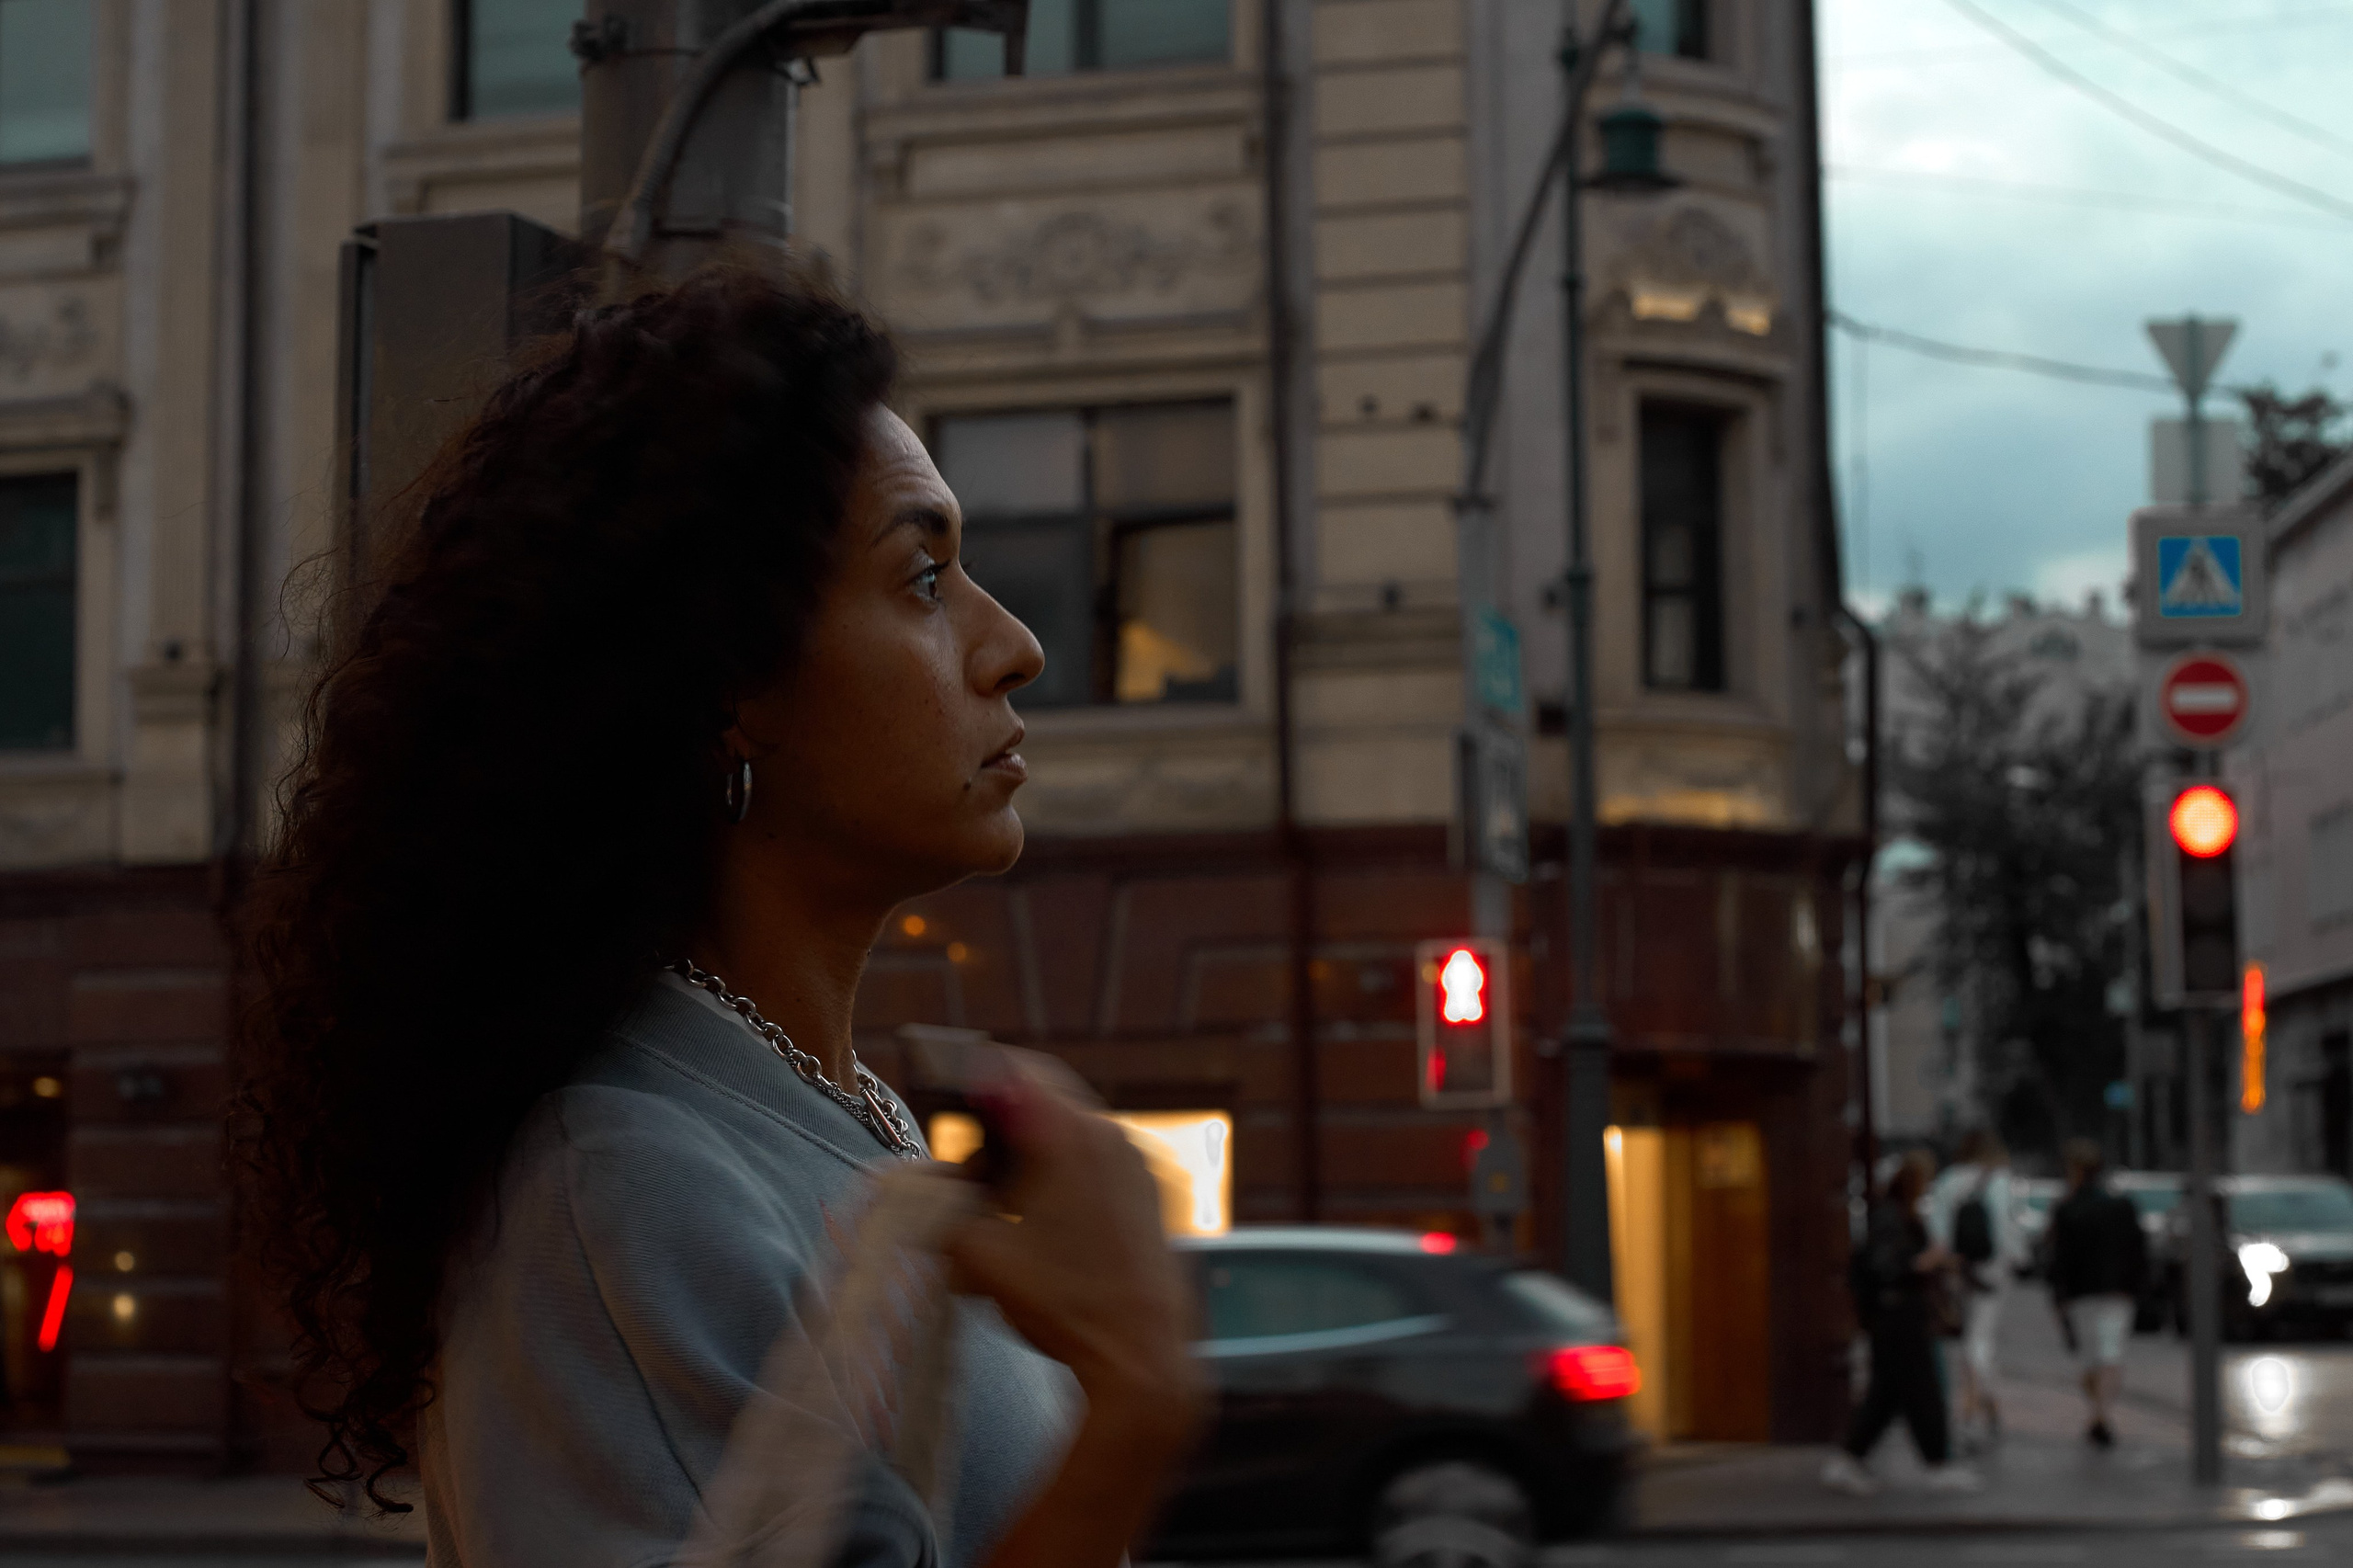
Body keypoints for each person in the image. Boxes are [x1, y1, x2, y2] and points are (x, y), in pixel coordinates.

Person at [235, 266, 1204, 1567]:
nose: (1013, 643)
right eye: (923, 581)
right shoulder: (621, 1183)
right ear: (732, 679)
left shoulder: (849, 1127)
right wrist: (1133, 1406)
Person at [1824, 1150, 1982, 1496]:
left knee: (1888, 1394)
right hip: (1900, 1318)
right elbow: (1890, 1267)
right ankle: (1937, 1463)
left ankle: (1852, 1458)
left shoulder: (1893, 1216)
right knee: (1920, 1390)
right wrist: (1927, 1260)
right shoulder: (1892, 1219)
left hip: (1895, 1317)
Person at [2046, 1138, 2147, 1449]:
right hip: (2116, 1291)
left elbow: (2058, 1258)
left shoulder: (2066, 1209)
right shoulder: (2121, 1206)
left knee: (2092, 1358)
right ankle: (2100, 1414)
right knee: (2109, 1355)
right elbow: (2138, 1251)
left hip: (2082, 1292)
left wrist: (2059, 1297)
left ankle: (2099, 1415)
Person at [1923, 1128, 2019, 1454]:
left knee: (1972, 1337)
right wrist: (2014, 1259)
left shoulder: (1950, 1179)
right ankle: (1977, 1409)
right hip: (1992, 1268)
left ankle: (1981, 1403)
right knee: (1981, 1338)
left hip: (1959, 1267)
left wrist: (1946, 1259)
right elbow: (2006, 1228)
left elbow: (1937, 1226)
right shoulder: (1999, 1179)